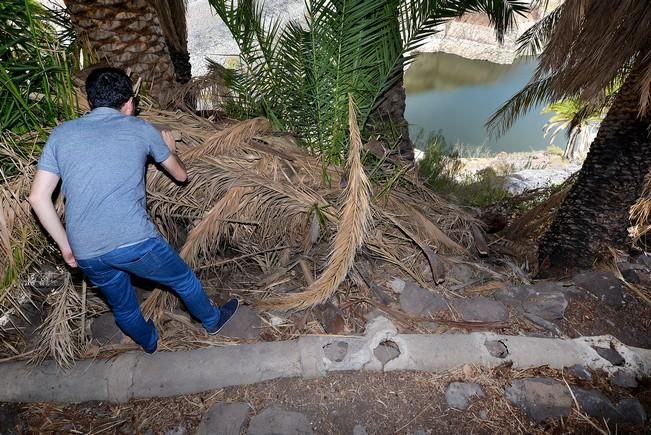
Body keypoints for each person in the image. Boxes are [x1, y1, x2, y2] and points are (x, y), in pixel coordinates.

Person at [28, 67, 238, 353]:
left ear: (91, 100)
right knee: (183, 279)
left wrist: (66, 246)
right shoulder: (139, 128)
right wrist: (169, 147)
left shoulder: (62, 134)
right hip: (135, 241)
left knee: (123, 306)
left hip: (87, 249)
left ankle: (149, 343)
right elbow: (180, 176)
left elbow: (38, 197)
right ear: (128, 102)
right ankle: (213, 321)